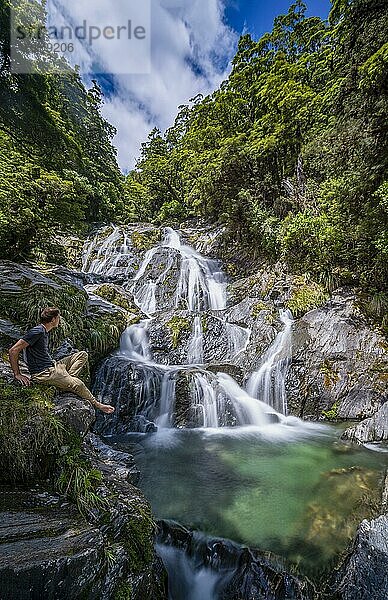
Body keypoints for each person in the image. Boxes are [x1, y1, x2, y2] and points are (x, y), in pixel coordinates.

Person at [9, 306, 115, 414]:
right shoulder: (37, 331)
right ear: (54, 319)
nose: (59, 320)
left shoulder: (43, 331)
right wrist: (17, 374)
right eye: (58, 317)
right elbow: (13, 350)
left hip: (53, 366)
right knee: (78, 384)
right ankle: (99, 405)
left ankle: (67, 381)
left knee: (82, 355)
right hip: (43, 373)